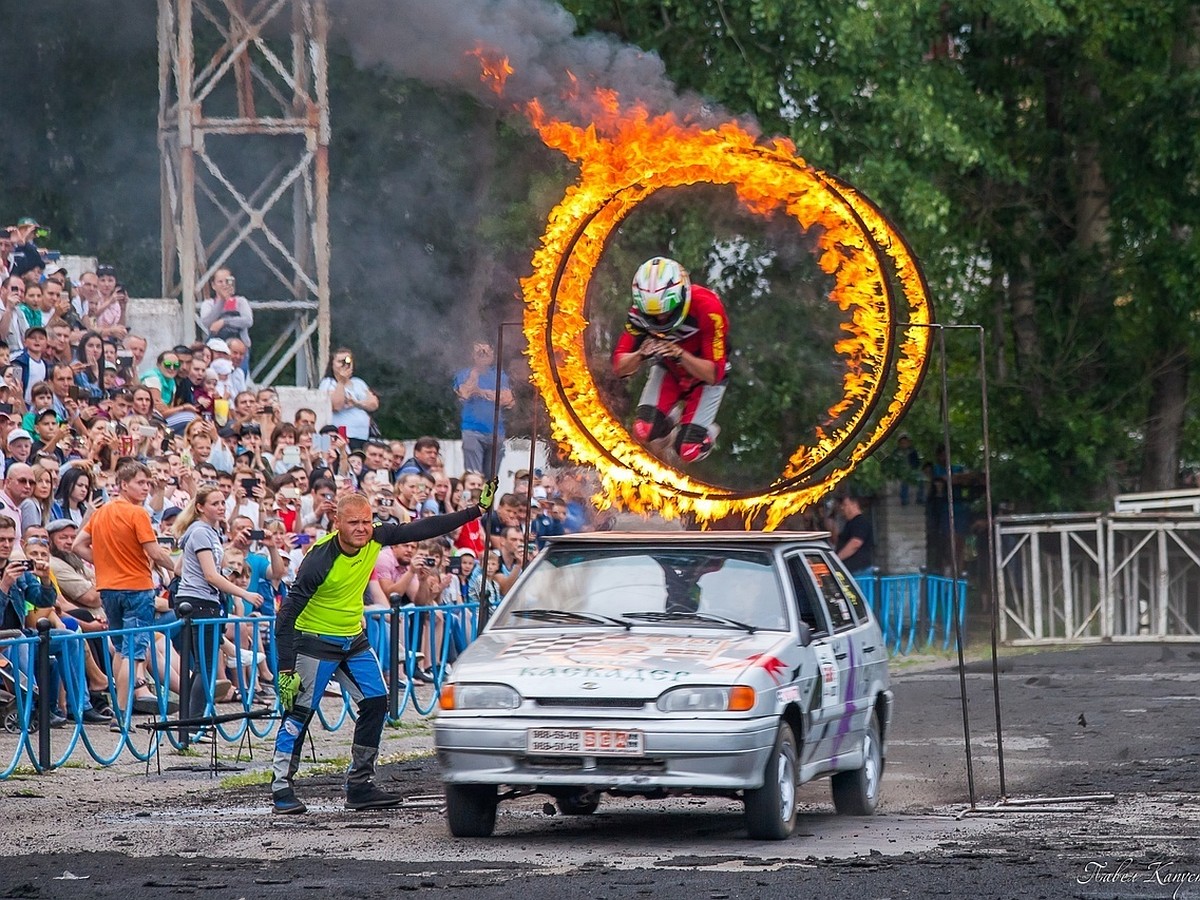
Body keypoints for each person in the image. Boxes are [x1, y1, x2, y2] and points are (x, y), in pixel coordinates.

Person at [269, 478, 497, 814]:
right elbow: (285, 616)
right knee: (299, 713)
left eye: (366, 521)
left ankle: (360, 785)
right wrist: (286, 670)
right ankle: (281, 788)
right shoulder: (319, 560)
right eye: (353, 523)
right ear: (337, 523)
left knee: (377, 702)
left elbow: (422, 528)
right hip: (314, 641)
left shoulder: (377, 535)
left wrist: (475, 511)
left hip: (352, 638)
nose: (362, 529)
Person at [72, 461, 178, 716]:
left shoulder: (101, 513)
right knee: (135, 651)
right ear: (123, 485)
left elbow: (78, 545)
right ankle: (122, 710)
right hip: (137, 588)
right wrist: (176, 568)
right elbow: (153, 551)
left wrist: (106, 562)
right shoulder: (137, 513)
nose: (146, 488)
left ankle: (120, 709)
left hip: (109, 588)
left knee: (121, 648)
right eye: (140, 483)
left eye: (147, 483)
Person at [612, 257, 730, 464]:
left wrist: (679, 353)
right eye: (653, 314)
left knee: (687, 450)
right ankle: (671, 419)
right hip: (669, 370)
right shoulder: (638, 314)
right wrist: (641, 354)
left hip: (704, 377)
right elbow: (620, 367)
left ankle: (707, 432)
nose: (661, 319)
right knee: (643, 430)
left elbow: (714, 374)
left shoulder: (708, 308)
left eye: (666, 311)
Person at [173, 487, 263, 732]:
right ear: (201, 507)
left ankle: (190, 723)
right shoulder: (201, 532)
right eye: (215, 503)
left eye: (223, 502)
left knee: (204, 665)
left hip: (202, 600)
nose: (221, 507)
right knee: (207, 666)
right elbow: (210, 575)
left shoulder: (209, 532)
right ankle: (192, 726)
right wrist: (243, 593)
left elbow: (180, 568)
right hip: (200, 603)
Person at [454, 341, 512, 476]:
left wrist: (480, 392)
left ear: (493, 354)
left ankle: (487, 498)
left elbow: (508, 400)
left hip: (497, 432)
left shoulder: (500, 376)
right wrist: (476, 372)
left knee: (491, 481)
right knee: (474, 476)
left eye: (486, 352)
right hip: (472, 430)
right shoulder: (465, 374)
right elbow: (465, 394)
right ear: (472, 355)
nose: (483, 355)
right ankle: (474, 497)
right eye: (479, 352)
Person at [319, 347, 378, 449]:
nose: (344, 365)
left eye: (347, 361)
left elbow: (374, 404)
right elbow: (336, 405)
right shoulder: (328, 383)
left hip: (363, 435)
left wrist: (356, 403)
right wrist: (341, 381)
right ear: (332, 364)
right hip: (343, 435)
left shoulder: (358, 382)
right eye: (340, 362)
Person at [835, 494, 874, 578]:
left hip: (858, 571)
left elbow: (855, 543)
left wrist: (836, 559)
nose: (842, 508)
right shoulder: (850, 523)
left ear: (854, 504)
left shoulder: (860, 522)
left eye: (845, 505)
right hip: (852, 571)